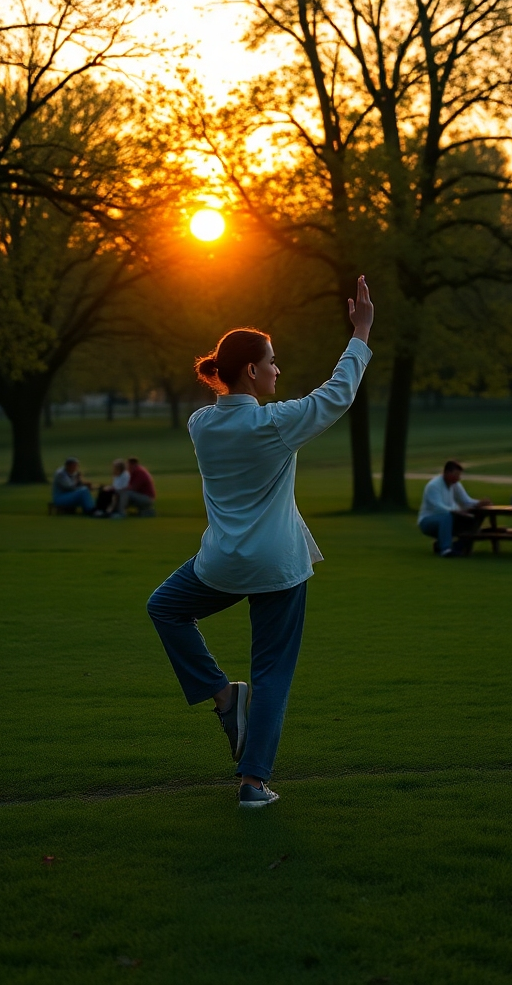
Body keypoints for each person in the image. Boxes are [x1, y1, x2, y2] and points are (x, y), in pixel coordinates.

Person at [146, 275, 374, 809]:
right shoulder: (275, 424)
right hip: (276, 566)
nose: (278, 370)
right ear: (252, 370)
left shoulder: (201, 423)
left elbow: (286, 404)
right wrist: (360, 333)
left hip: (220, 565)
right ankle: (252, 784)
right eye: (272, 361)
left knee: (164, 608)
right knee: (271, 672)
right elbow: (337, 394)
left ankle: (225, 696)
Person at [417, 460, 491, 558]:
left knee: (473, 521)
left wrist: (479, 503)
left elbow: (465, 501)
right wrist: (456, 511)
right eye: (456, 475)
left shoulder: (455, 484)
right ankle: (446, 550)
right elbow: (438, 506)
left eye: (459, 475)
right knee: (446, 516)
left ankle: (456, 546)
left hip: (449, 518)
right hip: (428, 521)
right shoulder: (433, 486)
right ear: (447, 473)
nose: (458, 478)